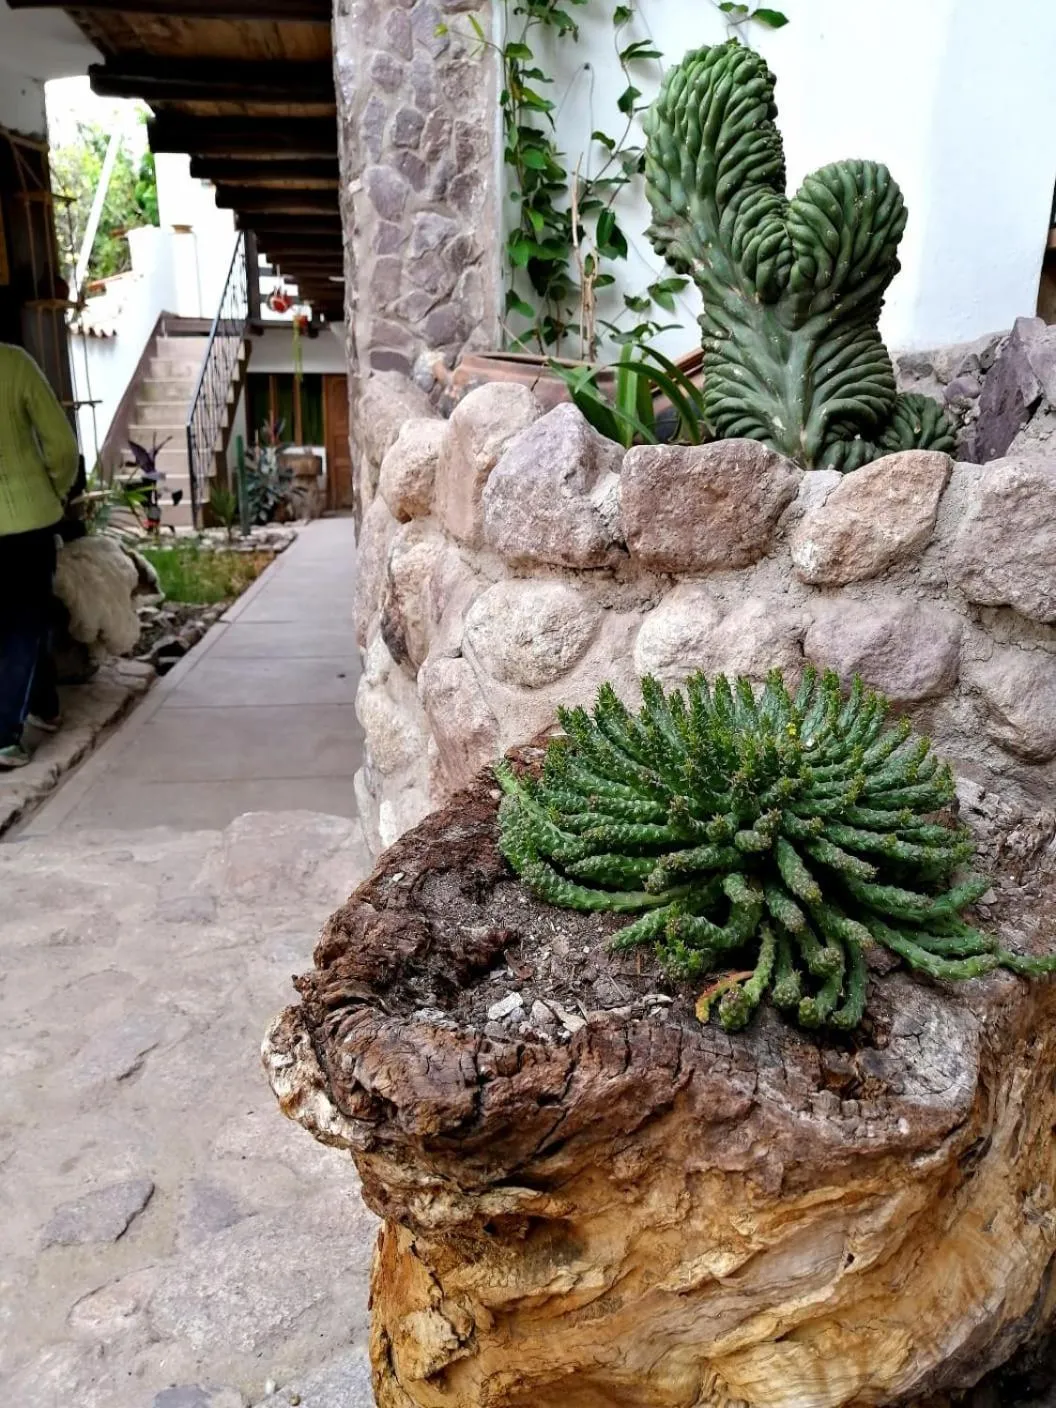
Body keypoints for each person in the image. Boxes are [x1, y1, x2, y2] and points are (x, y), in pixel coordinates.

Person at [0, 343, 79, 769]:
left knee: (24, 622)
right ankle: (4, 735)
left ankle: (44, 705)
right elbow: (63, 447)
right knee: (24, 623)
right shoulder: (14, 364)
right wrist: (54, 489)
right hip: (25, 523)